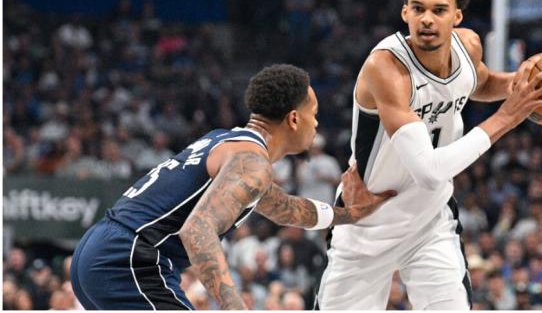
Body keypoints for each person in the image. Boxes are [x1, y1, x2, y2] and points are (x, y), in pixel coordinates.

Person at [316, 0, 542, 310]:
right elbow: (429, 171)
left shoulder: (469, 46)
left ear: (457, 17)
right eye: (418, 9)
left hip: (429, 222)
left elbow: (480, 82)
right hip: (366, 223)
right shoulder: (386, 69)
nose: (427, 19)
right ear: (405, 12)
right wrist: (509, 115)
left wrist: (521, 85)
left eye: (438, 10)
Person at [70, 64, 395, 310]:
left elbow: (285, 209)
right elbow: (197, 230)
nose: (317, 124)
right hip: (130, 260)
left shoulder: (229, 143)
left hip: (98, 251)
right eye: (315, 114)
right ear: (294, 119)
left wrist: (349, 214)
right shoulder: (251, 161)